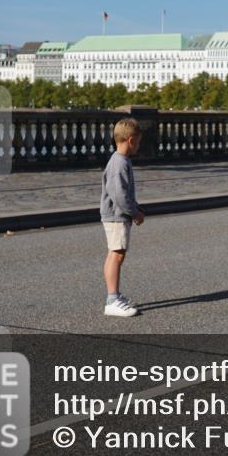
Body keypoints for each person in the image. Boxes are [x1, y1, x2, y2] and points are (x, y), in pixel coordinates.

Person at [100, 118, 145, 317]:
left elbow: (123, 193)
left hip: (117, 214)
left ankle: (114, 296)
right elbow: (119, 195)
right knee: (117, 254)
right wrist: (134, 212)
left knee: (115, 253)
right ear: (130, 140)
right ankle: (112, 299)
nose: (140, 145)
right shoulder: (119, 163)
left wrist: (135, 207)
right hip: (117, 215)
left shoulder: (120, 160)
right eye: (139, 141)